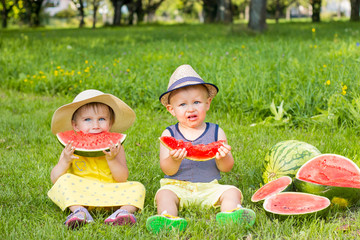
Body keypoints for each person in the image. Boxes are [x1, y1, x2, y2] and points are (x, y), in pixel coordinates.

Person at [146, 65, 256, 233]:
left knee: (232, 191)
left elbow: (227, 168)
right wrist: (174, 160)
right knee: (164, 194)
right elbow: (166, 168)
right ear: (171, 110)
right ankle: (167, 218)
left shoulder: (217, 131)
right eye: (182, 104)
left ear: (207, 103)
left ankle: (232, 214)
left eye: (197, 102)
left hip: (209, 188)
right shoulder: (169, 133)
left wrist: (222, 157)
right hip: (177, 187)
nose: (191, 108)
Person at [48, 89, 145, 229]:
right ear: (75, 125)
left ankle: (122, 213)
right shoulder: (70, 148)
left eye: (102, 119)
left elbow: (122, 178)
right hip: (81, 195)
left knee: (138, 187)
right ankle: (79, 212)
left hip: (111, 194)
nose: (96, 125)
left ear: (110, 123)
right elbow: (55, 178)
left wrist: (112, 159)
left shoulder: (116, 147)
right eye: (87, 119)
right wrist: (65, 161)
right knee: (63, 183)